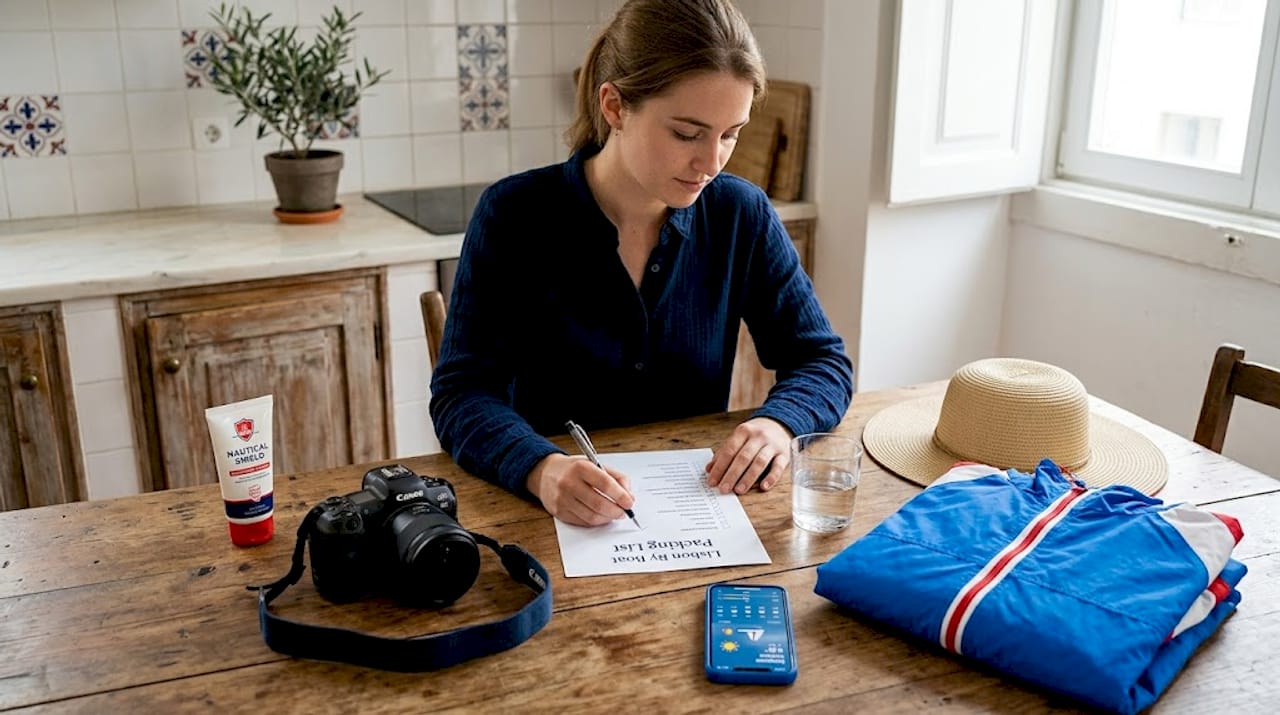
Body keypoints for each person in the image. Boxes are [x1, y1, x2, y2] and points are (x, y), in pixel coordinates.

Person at [429, 0, 853, 527]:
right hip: (547, 522)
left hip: (699, 521)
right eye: (686, 133)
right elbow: (462, 395)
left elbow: (822, 361)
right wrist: (540, 467)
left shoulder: (740, 214)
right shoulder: (514, 215)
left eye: (730, 134)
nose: (712, 163)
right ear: (614, 106)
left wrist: (780, 425)